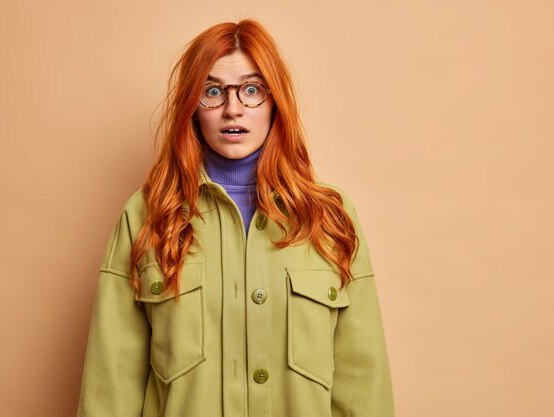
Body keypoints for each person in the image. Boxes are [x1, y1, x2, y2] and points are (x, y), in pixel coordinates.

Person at [77, 19, 394, 417]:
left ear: (275, 100)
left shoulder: (331, 218)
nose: (233, 108)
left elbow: (363, 383)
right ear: (192, 107)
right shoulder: (145, 216)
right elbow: (111, 385)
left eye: (251, 89)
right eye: (213, 91)